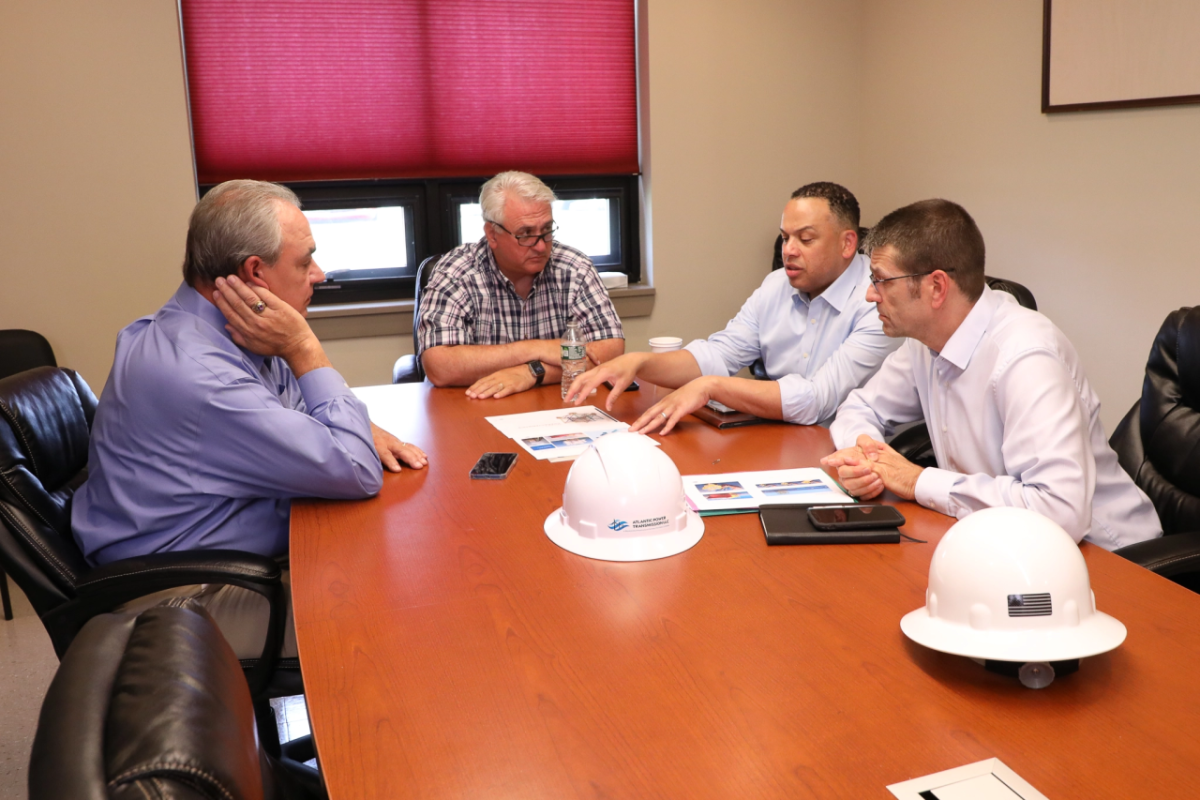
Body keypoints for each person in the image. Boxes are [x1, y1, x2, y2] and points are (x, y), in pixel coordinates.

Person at [72, 179, 428, 658]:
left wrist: (354, 429)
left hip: (216, 549)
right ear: (255, 272)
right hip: (183, 599)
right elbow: (356, 470)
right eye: (305, 262)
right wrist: (304, 348)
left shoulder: (215, 328)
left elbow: (298, 413)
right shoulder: (201, 375)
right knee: (404, 605)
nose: (318, 275)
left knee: (398, 554)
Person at [821, 199, 1160, 550]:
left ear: (936, 287)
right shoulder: (926, 341)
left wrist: (919, 481)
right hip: (994, 538)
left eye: (881, 281)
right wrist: (864, 457)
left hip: (1107, 555)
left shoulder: (1026, 356)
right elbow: (861, 407)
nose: (869, 294)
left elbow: (1060, 511)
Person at [566, 182, 899, 432]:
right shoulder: (776, 285)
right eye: (785, 238)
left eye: (806, 239)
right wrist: (639, 363)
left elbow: (817, 400)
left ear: (847, 243)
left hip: (847, 452)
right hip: (776, 436)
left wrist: (712, 386)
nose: (789, 251)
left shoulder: (878, 300)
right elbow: (720, 355)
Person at [418, 171, 625, 398]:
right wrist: (535, 349)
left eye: (546, 230)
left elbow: (610, 352)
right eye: (525, 234)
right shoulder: (456, 273)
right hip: (476, 408)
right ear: (492, 234)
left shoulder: (573, 268)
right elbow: (440, 367)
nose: (540, 246)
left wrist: (534, 371)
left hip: (555, 407)